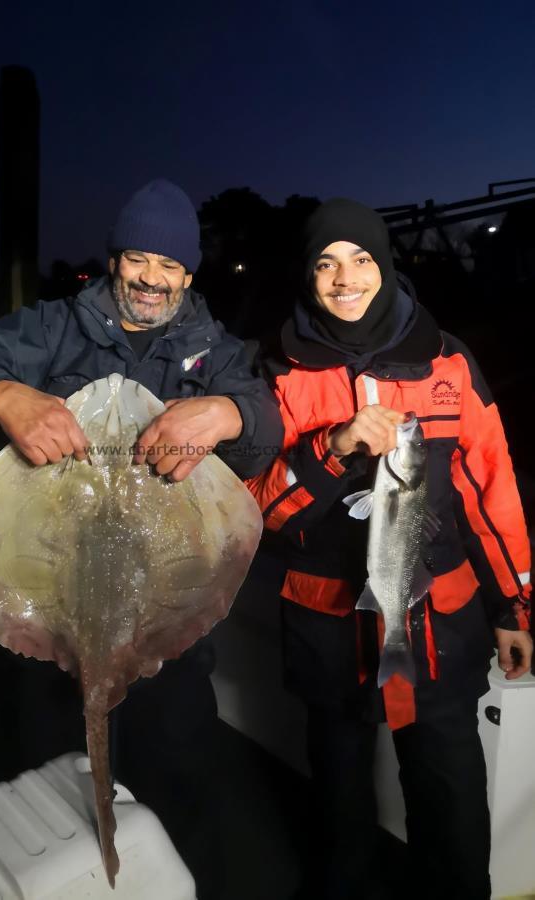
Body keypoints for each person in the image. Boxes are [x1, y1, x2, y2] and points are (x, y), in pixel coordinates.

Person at [0, 178, 283, 898]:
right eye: (138, 258)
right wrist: (5, 394)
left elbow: (265, 424)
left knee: (182, 773)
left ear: (188, 274)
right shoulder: (53, 329)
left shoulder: (214, 350)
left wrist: (226, 414)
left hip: (164, 619)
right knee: (57, 777)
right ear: (115, 260)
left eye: (169, 265)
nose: (151, 278)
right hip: (54, 612)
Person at [247, 198, 532, 900]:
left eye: (361, 259)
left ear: (385, 265)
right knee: (340, 805)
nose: (345, 278)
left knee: (451, 797)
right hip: (328, 630)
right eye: (325, 263)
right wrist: (331, 447)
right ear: (308, 276)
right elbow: (257, 510)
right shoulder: (273, 372)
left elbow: (491, 494)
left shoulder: (449, 361)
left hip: (442, 626)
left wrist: (513, 606)